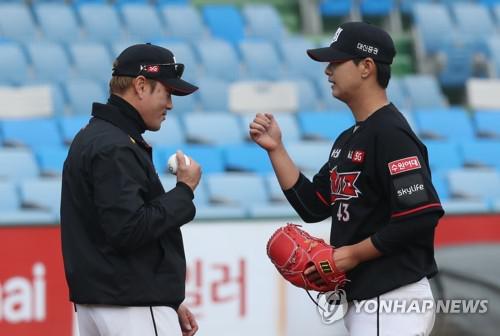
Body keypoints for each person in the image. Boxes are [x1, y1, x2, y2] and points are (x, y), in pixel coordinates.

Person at [250, 22, 443, 335]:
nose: (328, 70)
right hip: (371, 301)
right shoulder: (349, 139)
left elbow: (419, 218)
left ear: (366, 67)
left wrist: (349, 255)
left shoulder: (391, 134)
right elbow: (313, 206)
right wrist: (276, 149)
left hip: (392, 297)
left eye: (337, 62)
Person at [60, 43, 201, 336]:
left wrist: (168, 301)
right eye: (167, 92)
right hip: (131, 305)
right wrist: (184, 191)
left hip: (104, 303)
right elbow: (128, 229)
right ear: (140, 85)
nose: (171, 104)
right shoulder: (115, 144)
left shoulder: (94, 136)